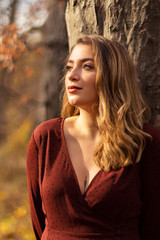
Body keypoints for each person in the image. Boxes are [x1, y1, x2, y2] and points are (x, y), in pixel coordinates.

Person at [26, 35, 160, 240]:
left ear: (113, 75)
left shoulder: (145, 142)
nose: (72, 75)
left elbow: (153, 227)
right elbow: (38, 223)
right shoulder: (45, 138)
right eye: (69, 67)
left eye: (87, 66)